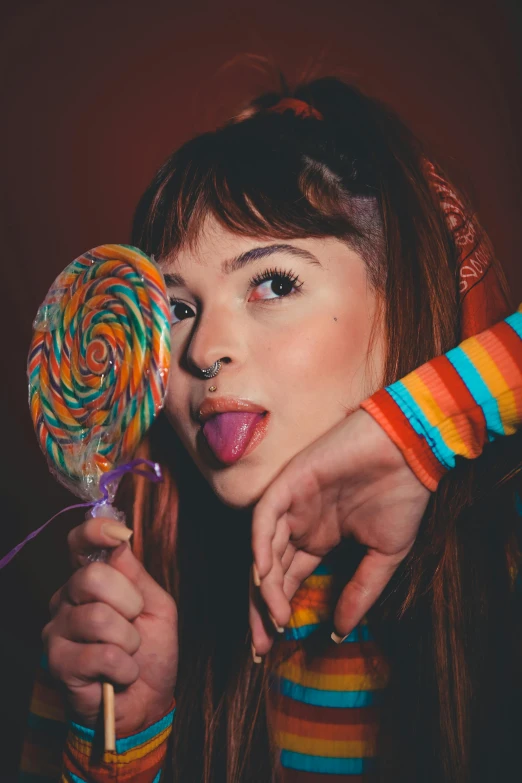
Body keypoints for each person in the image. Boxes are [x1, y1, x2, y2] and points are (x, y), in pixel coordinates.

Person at [19, 79, 522, 783]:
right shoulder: (115, 619)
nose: (202, 351)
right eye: (176, 309)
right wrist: (125, 741)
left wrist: (423, 428)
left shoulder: (503, 549)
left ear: (398, 295)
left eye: (273, 283)